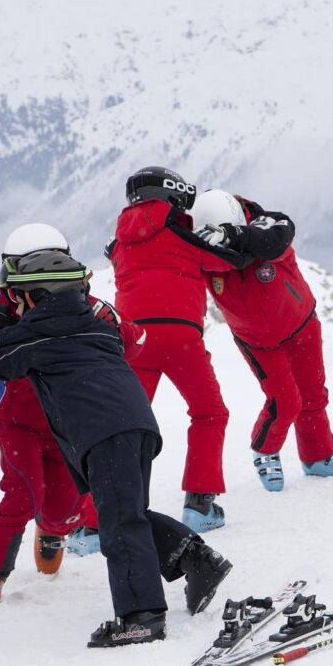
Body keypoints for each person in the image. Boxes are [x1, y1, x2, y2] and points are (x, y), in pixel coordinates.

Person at [0, 249, 233, 647]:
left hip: (101, 431)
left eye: (16, 297)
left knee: (120, 524)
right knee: (126, 511)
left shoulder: (36, 333)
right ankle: (194, 558)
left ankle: (140, 617)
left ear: (33, 297)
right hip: (137, 423)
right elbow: (129, 338)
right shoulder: (96, 324)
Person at [0, 223, 90, 605]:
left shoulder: (85, 307)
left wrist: (121, 330)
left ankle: (53, 528)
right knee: (21, 494)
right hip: (17, 421)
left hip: (66, 421)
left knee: (66, 500)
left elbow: (124, 342)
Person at [101, 166, 246, 534]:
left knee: (120, 428)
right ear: (171, 197)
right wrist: (226, 236)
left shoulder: (118, 244)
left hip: (133, 342)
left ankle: (91, 524)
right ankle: (199, 505)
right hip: (181, 339)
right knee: (209, 413)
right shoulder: (182, 236)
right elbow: (231, 262)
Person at [191, 189, 333, 491]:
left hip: (301, 324)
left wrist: (235, 236)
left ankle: (318, 455)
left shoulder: (266, 225)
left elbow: (275, 239)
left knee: (313, 395)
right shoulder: (200, 249)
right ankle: (266, 450)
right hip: (256, 341)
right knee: (285, 401)